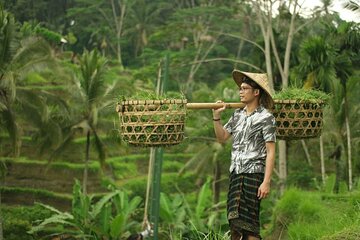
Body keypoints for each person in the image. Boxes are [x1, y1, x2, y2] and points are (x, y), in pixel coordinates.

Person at [212, 70, 276, 240]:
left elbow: (270, 152)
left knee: (250, 223)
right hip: (236, 173)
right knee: (234, 218)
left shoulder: (266, 117)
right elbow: (222, 138)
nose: (241, 91)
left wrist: (266, 182)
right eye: (240, 88)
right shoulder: (237, 115)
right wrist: (216, 117)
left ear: (256, 92)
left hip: (254, 174)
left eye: (245, 88)